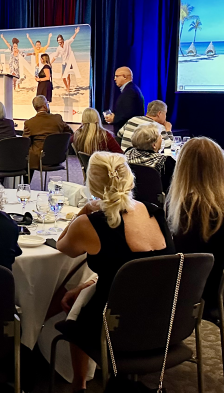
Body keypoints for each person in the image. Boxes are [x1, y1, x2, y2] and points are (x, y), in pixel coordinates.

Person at [56, 152, 174, 391]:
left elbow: (63, 246)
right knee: (84, 293)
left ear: (91, 184)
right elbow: (137, 269)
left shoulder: (91, 223)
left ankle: (79, 383)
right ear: (129, 179)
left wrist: (84, 211)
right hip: (165, 318)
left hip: (113, 325)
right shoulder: (155, 212)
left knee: (77, 309)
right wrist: (87, 285)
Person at [168, 137, 224, 304]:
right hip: (219, 284)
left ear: (183, 169)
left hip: (198, 289)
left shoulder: (193, 208)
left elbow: (184, 258)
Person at [22, 95, 72, 174]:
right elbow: (70, 132)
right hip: (59, 156)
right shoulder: (57, 118)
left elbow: (25, 142)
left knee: (25, 155)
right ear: (45, 106)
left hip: (39, 160)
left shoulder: (29, 123)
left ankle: (27, 181)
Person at [125, 123, 177, 192]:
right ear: (154, 145)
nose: (162, 139)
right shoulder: (166, 162)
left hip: (131, 195)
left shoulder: (128, 152)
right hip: (157, 197)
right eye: (160, 137)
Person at [105, 67, 144, 135]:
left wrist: (114, 118)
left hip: (128, 134)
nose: (115, 79)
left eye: (117, 76)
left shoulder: (130, 91)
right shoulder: (130, 89)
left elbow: (128, 114)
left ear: (125, 77)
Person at [49, 27, 81, 92]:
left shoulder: (67, 43)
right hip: (63, 63)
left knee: (68, 76)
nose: (59, 42)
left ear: (62, 40)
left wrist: (76, 33)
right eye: (58, 41)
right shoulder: (58, 48)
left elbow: (72, 38)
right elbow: (55, 56)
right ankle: (67, 87)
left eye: (60, 40)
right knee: (63, 77)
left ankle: (68, 88)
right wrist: (50, 63)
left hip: (69, 62)